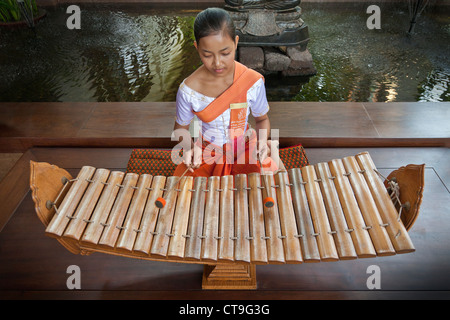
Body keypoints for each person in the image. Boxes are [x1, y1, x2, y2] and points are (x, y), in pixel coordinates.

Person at [172, 7, 283, 177]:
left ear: (236, 42)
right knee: (188, 193)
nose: (217, 63)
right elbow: (181, 129)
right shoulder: (188, 90)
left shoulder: (252, 81)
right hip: (207, 149)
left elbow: (262, 120)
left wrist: (261, 141)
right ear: (197, 47)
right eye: (207, 55)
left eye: (225, 53)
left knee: (266, 183)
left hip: (244, 146)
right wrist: (188, 148)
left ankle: (269, 147)